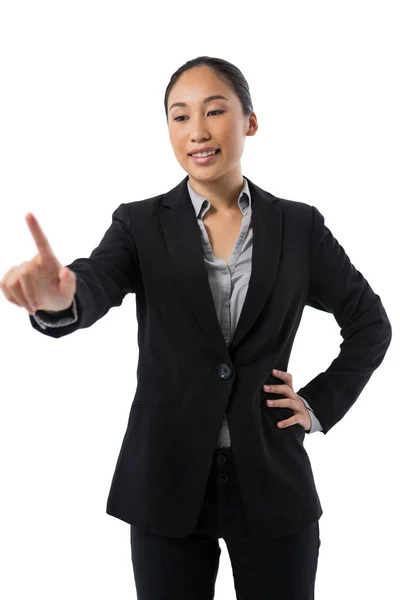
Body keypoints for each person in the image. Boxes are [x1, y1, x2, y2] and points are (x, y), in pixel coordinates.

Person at [0, 56, 392, 599]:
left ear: (250, 120)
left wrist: (317, 406)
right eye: (179, 117)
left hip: (272, 480)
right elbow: (95, 281)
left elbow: (371, 324)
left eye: (214, 111)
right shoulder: (140, 223)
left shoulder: (299, 226)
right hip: (165, 478)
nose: (197, 131)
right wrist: (61, 297)